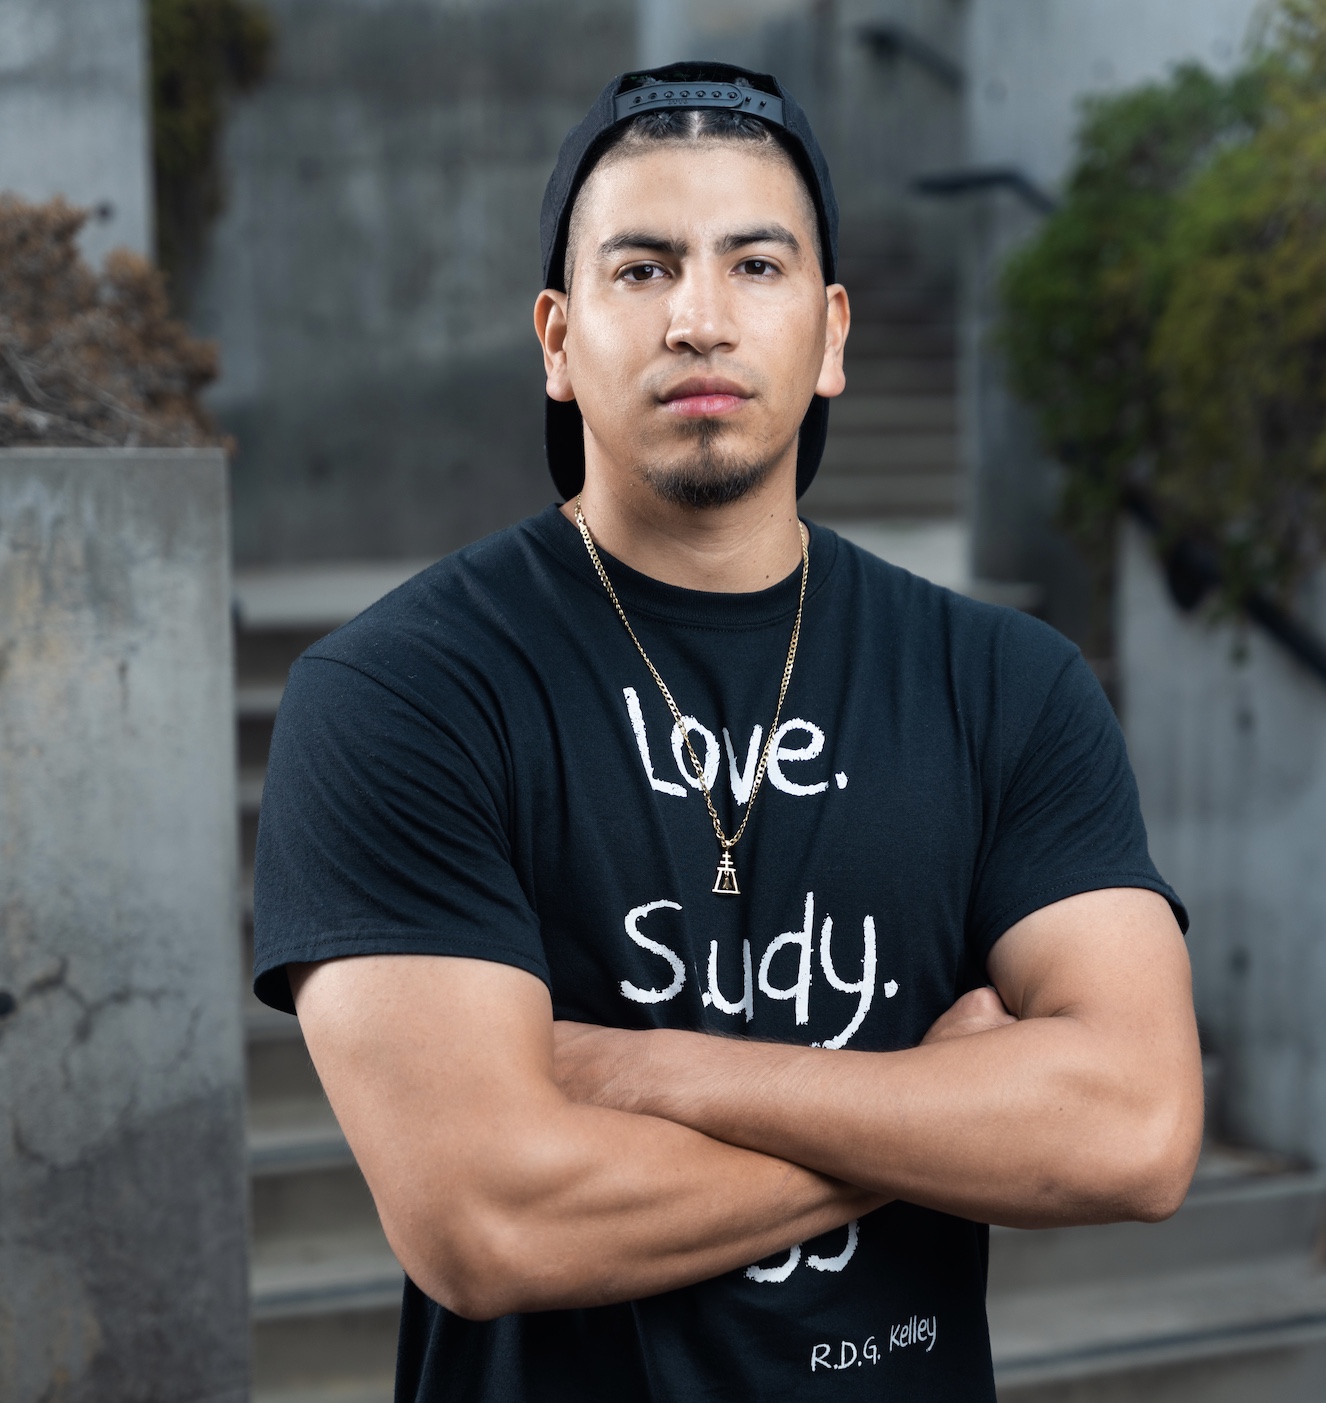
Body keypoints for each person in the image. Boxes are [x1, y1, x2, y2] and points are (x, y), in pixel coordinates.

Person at [253, 62, 1204, 1402]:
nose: (698, 318)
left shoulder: (1006, 684)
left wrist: (654, 1072)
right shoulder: (405, 693)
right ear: (555, 337)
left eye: (753, 265)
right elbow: (489, 1219)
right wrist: (937, 1109)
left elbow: (1136, 1129)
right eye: (640, 270)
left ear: (829, 336)